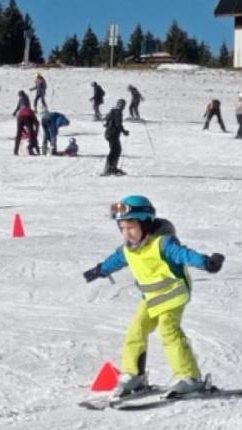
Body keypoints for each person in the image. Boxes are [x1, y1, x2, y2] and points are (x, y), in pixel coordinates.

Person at [81, 194, 225, 399]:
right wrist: (100, 270)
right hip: (152, 298)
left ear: (146, 224)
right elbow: (115, 260)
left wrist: (206, 262)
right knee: (135, 331)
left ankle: (190, 378)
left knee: (168, 330)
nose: (127, 233)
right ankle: (134, 376)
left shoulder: (163, 243)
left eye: (131, 227)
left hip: (173, 295)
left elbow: (184, 254)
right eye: (122, 228)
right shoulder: (128, 250)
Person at [102, 98, 129, 175]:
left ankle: (111, 168)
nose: (123, 107)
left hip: (109, 133)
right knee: (115, 150)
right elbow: (118, 124)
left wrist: (107, 125)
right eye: (123, 105)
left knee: (115, 150)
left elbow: (107, 120)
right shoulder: (118, 112)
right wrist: (124, 131)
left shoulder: (112, 111)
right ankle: (110, 168)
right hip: (113, 133)